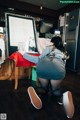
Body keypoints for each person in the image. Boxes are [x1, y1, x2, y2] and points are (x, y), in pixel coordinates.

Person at [19, 36, 74, 118]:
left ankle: (37, 93)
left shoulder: (49, 48)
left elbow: (38, 59)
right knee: (55, 90)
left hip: (43, 67)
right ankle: (64, 97)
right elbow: (63, 63)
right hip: (57, 69)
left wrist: (24, 54)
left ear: (53, 43)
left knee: (43, 88)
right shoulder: (65, 52)